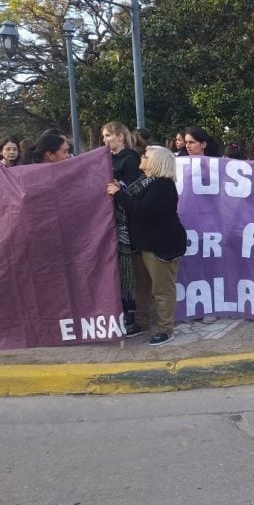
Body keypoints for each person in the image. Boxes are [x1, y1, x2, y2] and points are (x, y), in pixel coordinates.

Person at [107, 146, 187, 346]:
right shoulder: (144, 183)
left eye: (145, 156)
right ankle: (142, 323)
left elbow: (142, 210)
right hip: (144, 243)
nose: (140, 158)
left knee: (161, 290)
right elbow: (134, 202)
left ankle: (166, 330)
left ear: (156, 163)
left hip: (161, 245)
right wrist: (122, 190)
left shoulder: (163, 186)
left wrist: (119, 194)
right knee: (142, 288)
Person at [101, 121, 142, 337]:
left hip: (124, 219)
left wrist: (118, 187)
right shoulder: (106, 158)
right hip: (106, 219)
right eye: (104, 136)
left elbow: (134, 187)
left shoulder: (130, 158)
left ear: (120, 136)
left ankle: (130, 313)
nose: (105, 140)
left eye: (108, 135)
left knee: (125, 265)